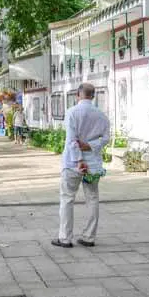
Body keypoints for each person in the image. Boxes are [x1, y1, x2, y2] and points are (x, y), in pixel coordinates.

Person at [52, 82, 111, 248]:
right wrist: (91, 145)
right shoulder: (101, 115)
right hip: (93, 163)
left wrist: (79, 160)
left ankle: (65, 238)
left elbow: (71, 140)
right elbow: (106, 138)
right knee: (92, 199)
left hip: (72, 163)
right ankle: (89, 236)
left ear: (78, 95)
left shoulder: (72, 112)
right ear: (93, 96)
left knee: (67, 199)